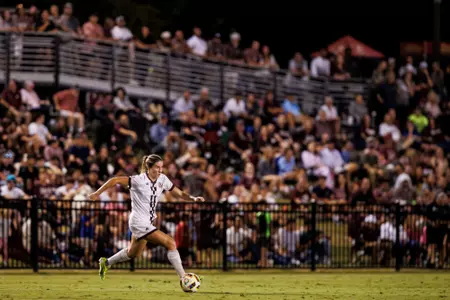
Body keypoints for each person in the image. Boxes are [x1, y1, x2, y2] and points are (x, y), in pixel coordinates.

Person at [88, 154, 205, 282]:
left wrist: (193, 198)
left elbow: (180, 193)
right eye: (157, 167)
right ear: (148, 167)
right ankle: (184, 278)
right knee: (170, 243)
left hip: (146, 222)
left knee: (133, 253)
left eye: (161, 167)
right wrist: (96, 193)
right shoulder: (138, 180)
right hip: (138, 221)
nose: (160, 170)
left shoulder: (163, 179)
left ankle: (106, 262)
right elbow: (114, 180)